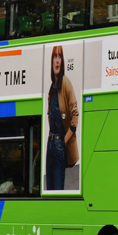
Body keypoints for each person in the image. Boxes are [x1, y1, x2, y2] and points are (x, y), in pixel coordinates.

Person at [45, 45, 79, 190]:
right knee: (49, 189)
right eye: (55, 56)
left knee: (57, 190)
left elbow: (75, 117)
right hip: (50, 143)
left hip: (59, 144)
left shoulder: (66, 83)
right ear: (52, 61)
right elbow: (49, 114)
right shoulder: (52, 87)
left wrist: (63, 142)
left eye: (60, 56)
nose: (57, 60)